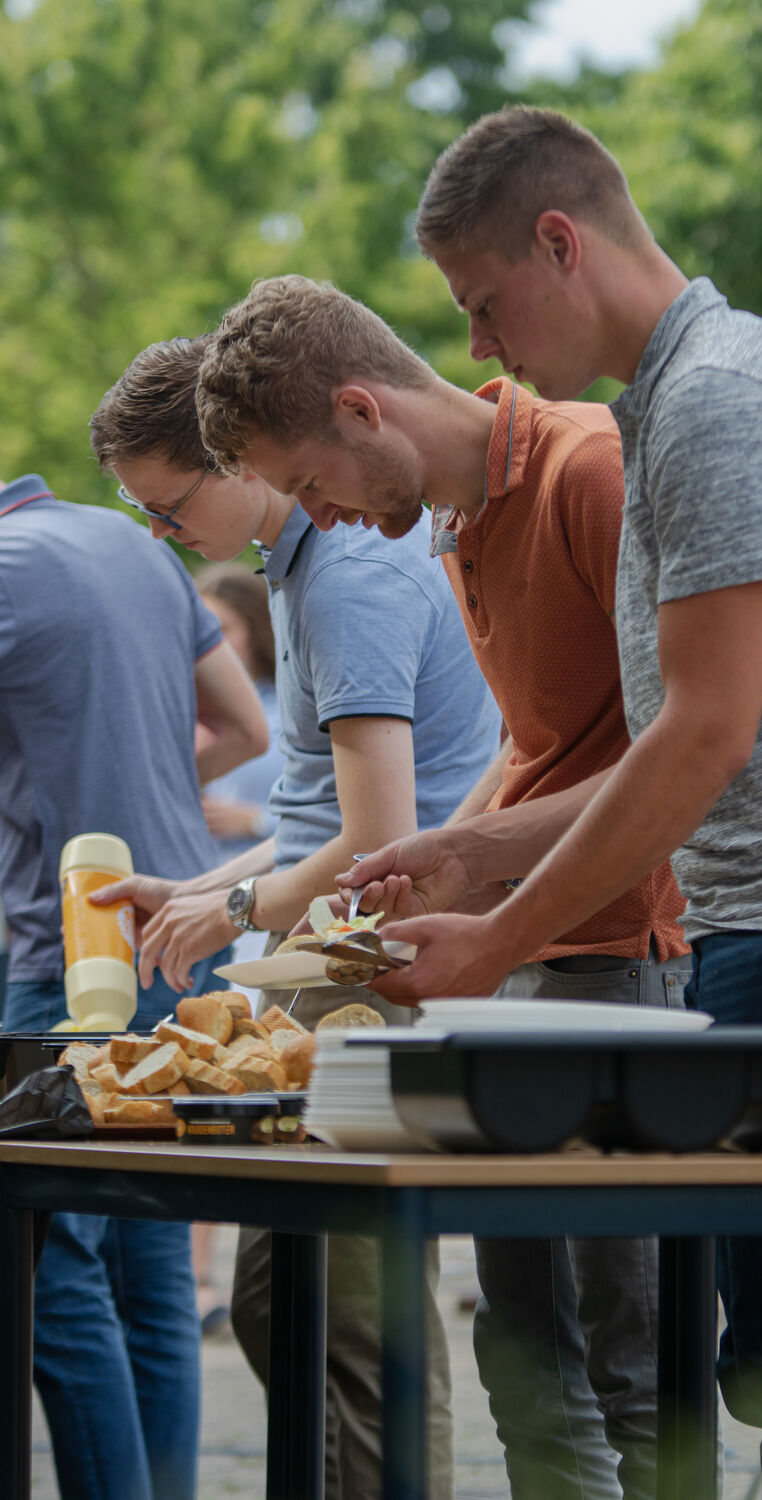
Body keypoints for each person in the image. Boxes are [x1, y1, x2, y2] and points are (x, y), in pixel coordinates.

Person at [325, 106, 762, 1498]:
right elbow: (670, 744)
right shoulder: (684, 399)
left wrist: (496, 944)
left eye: (483, 303)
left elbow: (703, 740)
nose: (478, 346)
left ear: (560, 243)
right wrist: (470, 852)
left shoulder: (719, 402)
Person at [193, 272, 692, 1499]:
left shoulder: (587, 470)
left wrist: (478, 878)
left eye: (309, 485)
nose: (319, 518)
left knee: (630, 1367)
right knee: (524, 1359)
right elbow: (535, 745)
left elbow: (682, 752)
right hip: (513, 962)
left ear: (362, 412)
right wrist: (446, 858)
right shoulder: (457, 521)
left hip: (620, 956)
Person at [88, 335, 503, 1500]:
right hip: (333, 950)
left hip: (369, 959)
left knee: (350, 1314)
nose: (160, 535)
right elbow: (325, 813)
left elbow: (376, 843)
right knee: (286, 1299)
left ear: (236, 461)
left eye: (169, 507)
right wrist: (200, 890)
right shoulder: (302, 560)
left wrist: (230, 907)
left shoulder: (349, 576)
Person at [0, 471, 268, 1500]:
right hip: (185, 935)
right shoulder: (130, 542)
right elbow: (242, 730)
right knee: (151, 1279)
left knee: (47, 1271)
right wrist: (139, 795)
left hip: (74, 958)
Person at [195, 562, 286, 1335]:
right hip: (210, 907)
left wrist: (249, 825)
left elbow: (330, 818)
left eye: (220, 628)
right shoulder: (199, 711)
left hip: (265, 915)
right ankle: (196, 1275)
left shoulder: (285, 711)